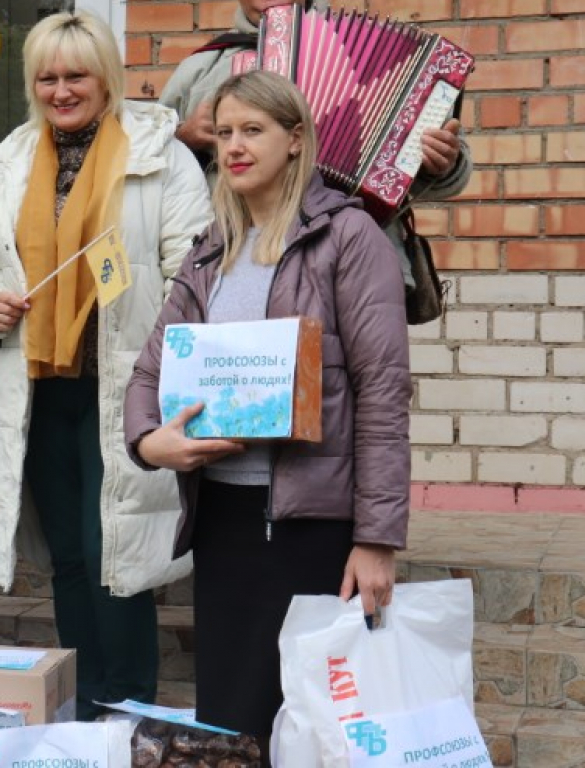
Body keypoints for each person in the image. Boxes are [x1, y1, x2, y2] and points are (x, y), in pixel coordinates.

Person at [126, 71, 411, 760]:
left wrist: (377, 536)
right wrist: (148, 441)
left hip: (312, 527)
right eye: (223, 132)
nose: (234, 146)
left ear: (296, 139)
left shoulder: (348, 237)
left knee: (312, 725)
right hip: (223, 522)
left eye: (252, 130)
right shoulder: (208, 250)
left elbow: (382, 389)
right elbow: (148, 372)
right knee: (232, 724)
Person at [0, 10, 213, 718]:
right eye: (46, 77)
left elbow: (193, 271)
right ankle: (83, 701)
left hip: (125, 385)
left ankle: (132, 705)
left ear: (106, 77)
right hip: (41, 384)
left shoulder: (161, 151)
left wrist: (151, 346)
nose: (61, 89)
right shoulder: (13, 156)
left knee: (118, 553)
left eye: (76, 75)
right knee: (70, 553)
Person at [159, 0, 471, 285]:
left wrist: (442, 162)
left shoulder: (375, 52)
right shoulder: (202, 70)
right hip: (239, 266)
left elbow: (451, 178)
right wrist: (184, 141)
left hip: (354, 267)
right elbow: (152, 173)